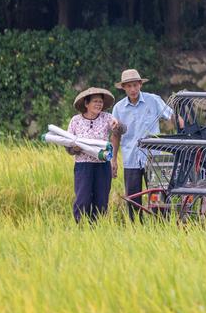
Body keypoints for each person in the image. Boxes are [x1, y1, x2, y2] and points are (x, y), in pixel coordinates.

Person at [111, 68, 174, 220]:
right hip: (131, 159)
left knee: (159, 199)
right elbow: (115, 134)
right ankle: (136, 229)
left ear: (140, 84)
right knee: (133, 200)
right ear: (124, 88)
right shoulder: (118, 108)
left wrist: (181, 123)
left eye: (135, 85)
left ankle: (163, 228)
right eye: (129, 86)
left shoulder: (153, 100)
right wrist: (113, 160)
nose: (132, 89)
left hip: (154, 159)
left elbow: (172, 116)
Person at [68, 87, 123, 223]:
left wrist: (118, 126)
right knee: (83, 199)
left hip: (102, 166)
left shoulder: (107, 118)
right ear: (86, 104)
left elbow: (121, 130)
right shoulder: (75, 121)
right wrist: (74, 149)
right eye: (95, 101)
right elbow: (68, 148)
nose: (99, 104)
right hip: (83, 167)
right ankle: (81, 228)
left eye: (100, 101)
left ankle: (98, 229)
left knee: (101, 200)